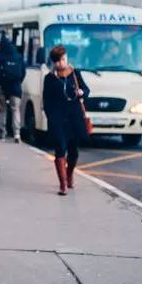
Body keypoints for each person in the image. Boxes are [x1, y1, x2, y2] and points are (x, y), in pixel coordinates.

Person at [43, 45, 90, 196]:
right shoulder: (49, 78)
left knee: (74, 152)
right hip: (58, 120)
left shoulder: (75, 74)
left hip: (74, 118)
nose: (60, 63)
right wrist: (51, 117)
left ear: (66, 58)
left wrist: (82, 92)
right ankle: (63, 185)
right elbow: (46, 101)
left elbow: (86, 90)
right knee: (60, 149)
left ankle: (69, 175)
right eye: (57, 61)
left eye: (62, 59)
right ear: (53, 62)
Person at [0, 35, 26, 142]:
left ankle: (2, 134)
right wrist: (17, 82)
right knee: (15, 110)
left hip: (2, 87)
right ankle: (17, 134)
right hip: (15, 88)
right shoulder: (18, 56)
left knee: (2, 110)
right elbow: (23, 72)